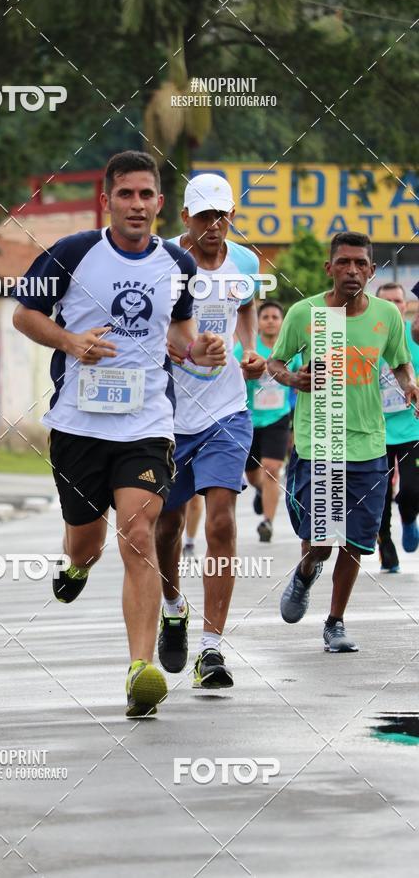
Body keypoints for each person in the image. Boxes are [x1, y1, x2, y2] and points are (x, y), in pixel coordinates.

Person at [13, 151, 226, 718]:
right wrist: (70, 342)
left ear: (160, 202)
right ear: (108, 200)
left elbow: (179, 335)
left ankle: (140, 669)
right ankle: (78, 563)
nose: (137, 204)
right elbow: (24, 315)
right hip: (79, 425)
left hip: (148, 424)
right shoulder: (74, 253)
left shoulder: (178, 261)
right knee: (88, 540)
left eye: (146, 195)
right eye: (126, 194)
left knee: (139, 532)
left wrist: (197, 350)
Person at [268, 231, 419, 653]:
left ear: (371, 271)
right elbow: (275, 362)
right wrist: (294, 378)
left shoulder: (387, 317)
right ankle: (305, 573)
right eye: (344, 262)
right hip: (321, 441)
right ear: (329, 268)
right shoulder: (306, 313)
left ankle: (335, 622)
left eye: (361, 264)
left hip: (369, 443)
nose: (352, 270)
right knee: (320, 542)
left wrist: (410, 385)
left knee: (355, 543)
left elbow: (401, 362)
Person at [155, 172, 265, 688]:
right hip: (166, 414)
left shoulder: (245, 262)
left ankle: (212, 648)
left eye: (222, 216)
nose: (214, 226)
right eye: (204, 217)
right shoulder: (160, 262)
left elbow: (244, 308)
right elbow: (143, 329)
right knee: (167, 526)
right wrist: (185, 348)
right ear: (185, 219)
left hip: (226, 410)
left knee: (221, 520)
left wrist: (249, 350)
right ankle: (173, 604)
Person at [234, 301, 302, 542]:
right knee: (253, 475)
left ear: (282, 322)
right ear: (258, 322)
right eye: (266, 317)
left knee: (272, 469)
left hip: (278, 417)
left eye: (275, 316)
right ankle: (262, 491)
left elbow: (296, 382)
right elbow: (232, 380)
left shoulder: (290, 350)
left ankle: (267, 522)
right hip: (249, 418)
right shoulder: (246, 349)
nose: (271, 320)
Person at [375, 282, 419, 571]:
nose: (394, 306)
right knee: (378, 497)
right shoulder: (367, 336)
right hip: (374, 430)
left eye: (399, 301)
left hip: (412, 428)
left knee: (412, 491)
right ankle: (386, 549)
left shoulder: (415, 337)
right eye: (387, 301)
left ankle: (408, 516)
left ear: (406, 305)